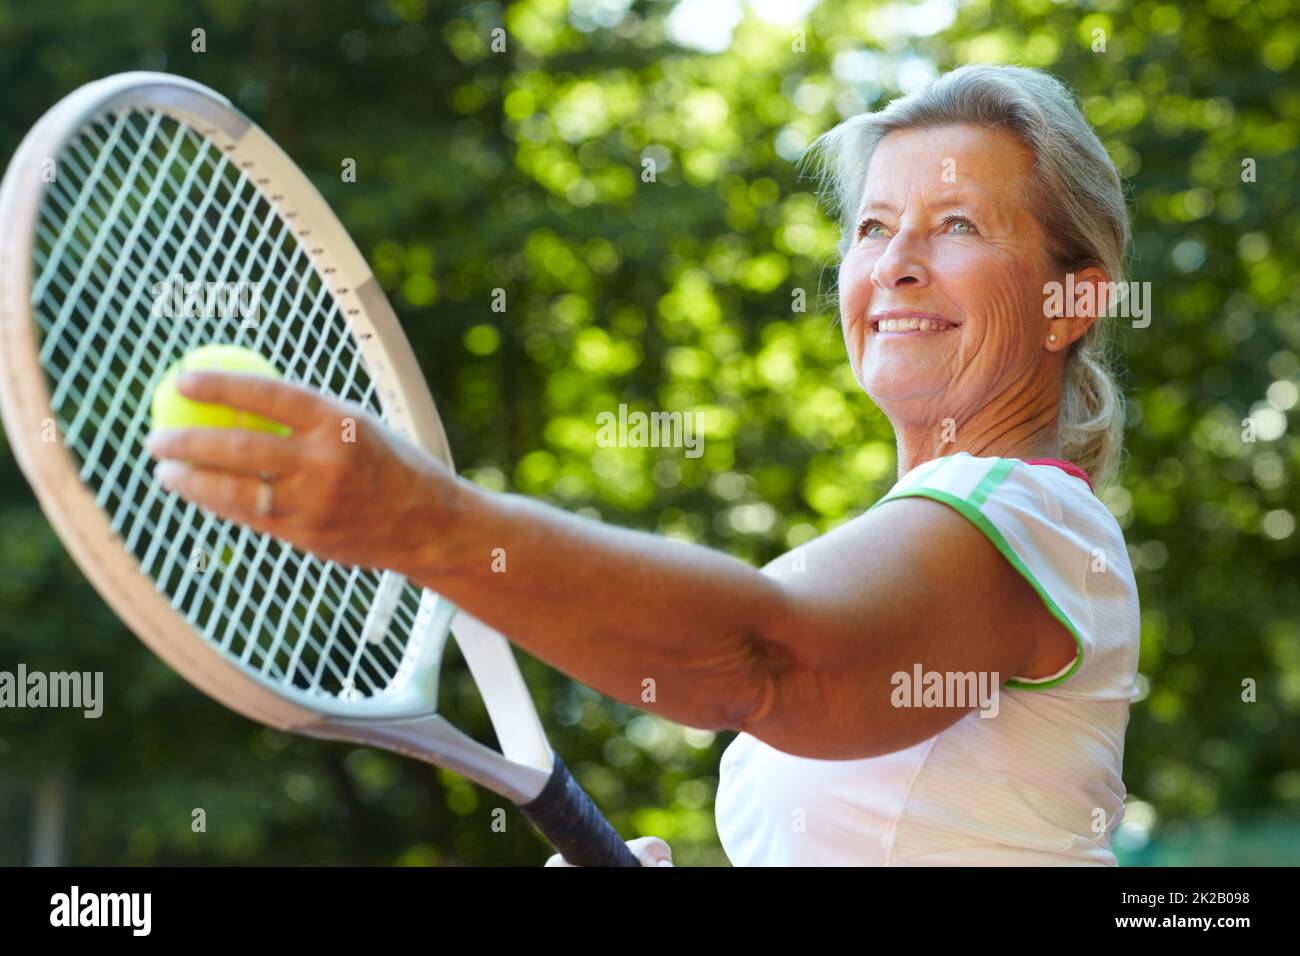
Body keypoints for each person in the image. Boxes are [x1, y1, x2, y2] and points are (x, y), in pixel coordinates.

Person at [149, 63, 1141, 866]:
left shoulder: (1026, 522)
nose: (894, 262)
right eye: (873, 226)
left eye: (957, 223)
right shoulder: (944, 529)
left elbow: (763, 659)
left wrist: (423, 522)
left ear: (1072, 301)